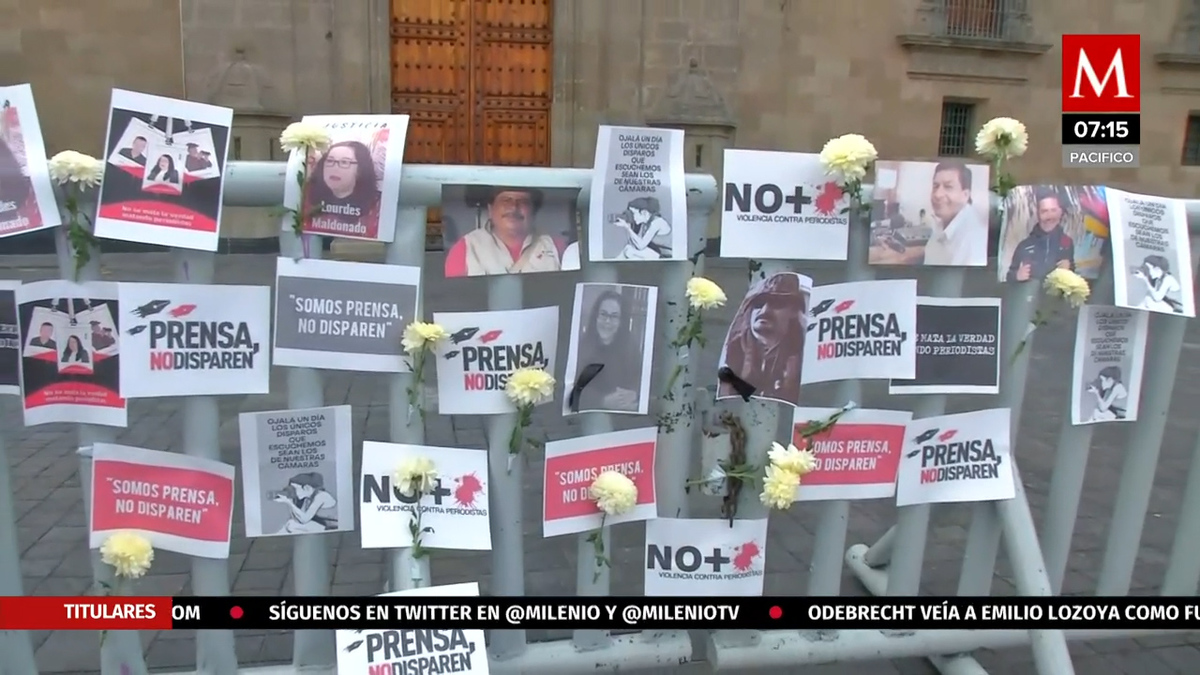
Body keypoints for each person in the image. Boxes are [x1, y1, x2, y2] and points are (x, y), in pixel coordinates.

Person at [719, 273, 806, 405]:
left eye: (777, 303)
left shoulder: (802, 350)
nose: (765, 310)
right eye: (758, 304)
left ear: (793, 311)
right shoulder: (734, 348)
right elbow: (727, 396)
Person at [444, 186, 565, 276]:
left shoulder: (556, 248)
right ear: (491, 210)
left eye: (523, 201)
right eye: (506, 200)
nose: (513, 207)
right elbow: (454, 300)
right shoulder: (465, 248)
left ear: (533, 212)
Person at [572, 288, 642, 412]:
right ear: (595, 317)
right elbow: (572, 389)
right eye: (603, 314)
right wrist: (602, 401)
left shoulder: (631, 349)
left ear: (621, 322)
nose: (607, 321)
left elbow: (640, 382)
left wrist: (634, 394)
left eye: (614, 317)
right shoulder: (580, 347)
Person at [922, 161, 987, 266]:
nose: (938, 195)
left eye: (948, 187)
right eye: (935, 186)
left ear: (965, 195)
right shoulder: (944, 221)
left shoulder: (973, 240)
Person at [305, 140, 380, 228]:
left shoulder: (376, 205)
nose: (335, 168)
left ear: (360, 169)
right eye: (330, 161)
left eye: (345, 162)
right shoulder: (306, 196)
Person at [1006, 190, 1075, 282]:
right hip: (1030, 295)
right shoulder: (1024, 246)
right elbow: (1009, 277)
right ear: (1038, 214)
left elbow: (1074, 278)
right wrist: (1017, 276)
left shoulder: (1067, 242)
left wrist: (1069, 269)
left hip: (1056, 295)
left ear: (1060, 212)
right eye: (1044, 211)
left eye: (1053, 210)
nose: (1049, 216)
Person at [272, 472, 338, 534]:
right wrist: (290, 501)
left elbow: (304, 519)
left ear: (307, 488)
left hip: (332, 528)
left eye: (295, 489)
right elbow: (298, 520)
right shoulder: (308, 499)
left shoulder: (321, 496)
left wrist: (289, 503)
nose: (294, 491)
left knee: (291, 525)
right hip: (323, 526)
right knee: (290, 524)